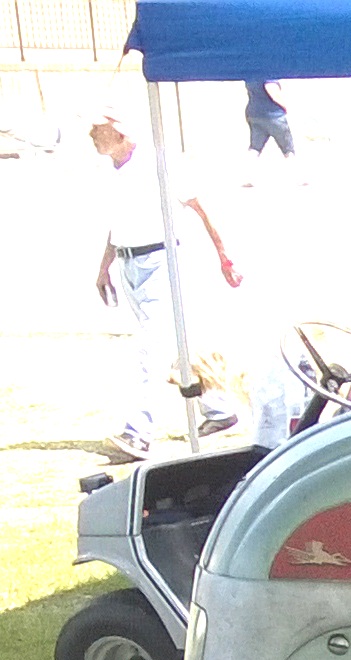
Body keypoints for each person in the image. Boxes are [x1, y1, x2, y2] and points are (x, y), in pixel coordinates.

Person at [89, 104, 243, 459]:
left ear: (120, 129)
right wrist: (104, 267)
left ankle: (138, 433)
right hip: (129, 263)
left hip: (162, 261)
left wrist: (224, 256)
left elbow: (202, 208)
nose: (92, 135)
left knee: (150, 348)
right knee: (178, 343)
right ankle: (219, 409)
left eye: (98, 128)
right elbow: (118, 224)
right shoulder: (111, 172)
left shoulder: (160, 162)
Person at [243, 80, 295, 163]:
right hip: (274, 115)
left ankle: (246, 167)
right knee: (288, 149)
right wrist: (286, 107)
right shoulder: (269, 75)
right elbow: (272, 91)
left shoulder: (251, 75)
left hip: (253, 113)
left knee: (255, 147)